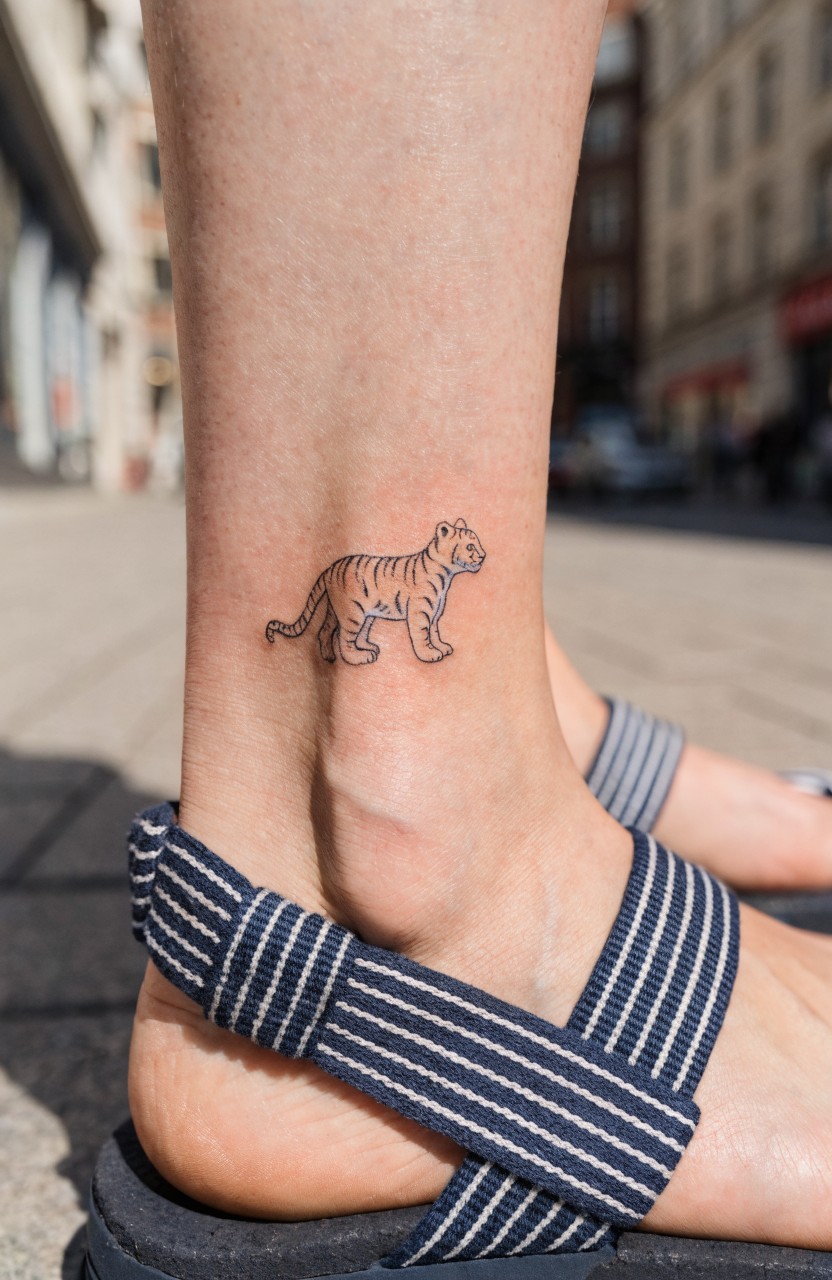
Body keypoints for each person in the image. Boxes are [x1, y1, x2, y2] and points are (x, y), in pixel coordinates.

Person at [129, 0, 832, 1254]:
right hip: (387, 869)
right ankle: (403, 838)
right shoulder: (394, 578)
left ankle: (513, 735)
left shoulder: (428, 578)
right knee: (394, 711)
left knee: (466, 667)